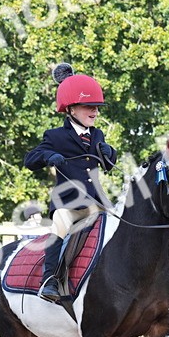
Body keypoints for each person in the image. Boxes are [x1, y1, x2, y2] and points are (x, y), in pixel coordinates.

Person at [23, 63, 117, 302]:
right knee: (60, 228)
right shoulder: (55, 136)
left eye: (97, 108)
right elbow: (30, 159)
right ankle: (50, 280)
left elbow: (108, 166)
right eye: (89, 107)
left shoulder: (97, 134)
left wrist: (110, 152)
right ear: (72, 108)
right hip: (68, 203)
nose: (95, 112)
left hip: (97, 202)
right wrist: (48, 156)